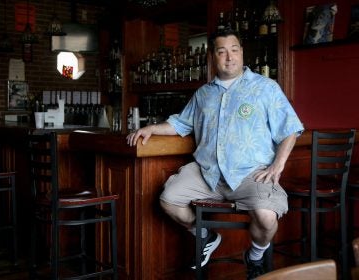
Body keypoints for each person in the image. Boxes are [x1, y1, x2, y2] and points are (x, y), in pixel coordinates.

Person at [127, 28, 304, 279]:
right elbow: (180, 124)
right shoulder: (203, 94)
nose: (229, 57)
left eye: (234, 50)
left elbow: (290, 129)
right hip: (207, 173)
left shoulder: (265, 88)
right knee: (168, 199)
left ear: (242, 53)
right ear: (213, 57)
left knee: (266, 218)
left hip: (250, 173)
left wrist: (277, 166)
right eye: (222, 52)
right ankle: (206, 236)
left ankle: (254, 256)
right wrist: (150, 128)